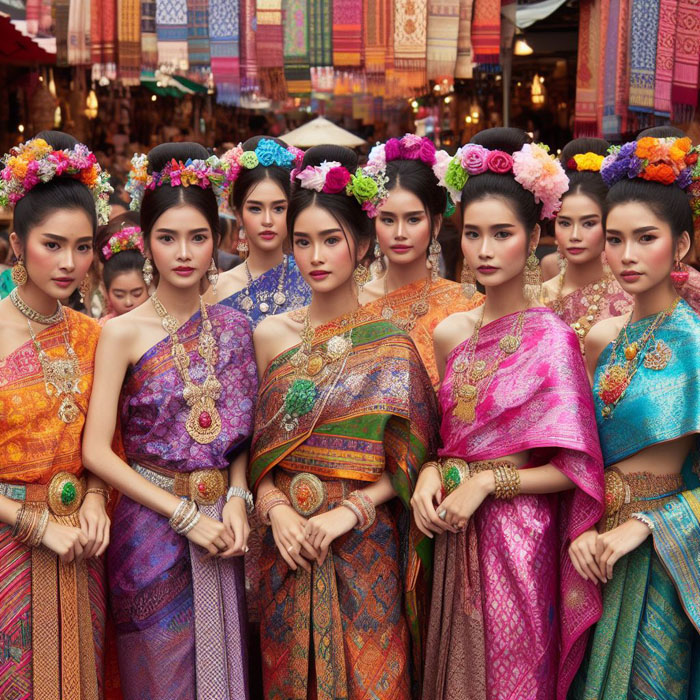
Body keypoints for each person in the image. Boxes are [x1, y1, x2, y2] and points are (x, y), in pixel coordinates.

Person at [415, 128, 605, 700]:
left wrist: (486, 484)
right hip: (452, 529)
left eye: (503, 234)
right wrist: (431, 472)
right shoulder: (449, 334)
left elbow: (575, 468)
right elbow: (443, 440)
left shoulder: (553, 337)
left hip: (522, 538)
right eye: (473, 234)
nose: (485, 250)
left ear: (534, 236)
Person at [250, 145, 438, 699]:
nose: (316, 256)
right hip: (287, 545)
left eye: (330, 240)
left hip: (365, 546)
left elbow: (410, 462)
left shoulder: (393, 344)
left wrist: (347, 514)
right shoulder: (269, 337)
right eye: (302, 242)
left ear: (360, 244)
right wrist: (275, 508)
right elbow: (257, 451)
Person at [82, 143, 257, 699]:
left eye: (198, 238)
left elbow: (242, 435)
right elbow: (97, 452)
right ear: (145, 242)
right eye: (167, 238)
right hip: (150, 530)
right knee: (161, 680)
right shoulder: (121, 332)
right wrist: (184, 515)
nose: (183, 253)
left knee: (224, 676)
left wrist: (236, 498)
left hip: (222, 527)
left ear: (219, 241)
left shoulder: (234, 327)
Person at [571, 136, 700, 699]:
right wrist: (581, 529)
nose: (626, 255)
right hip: (588, 547)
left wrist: (644, 526)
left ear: (682, 246)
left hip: (663, 555)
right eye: (615, 239)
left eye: (645, 239)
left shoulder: (697, 346)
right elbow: (579, 452)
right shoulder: (601, 338)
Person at [0, 131, 113, 697]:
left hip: (80, 548)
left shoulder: (96, 336)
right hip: (9, 543)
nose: (70, 263)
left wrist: (94, 495)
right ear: (17, 243)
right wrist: (32, 524)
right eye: (52, 245)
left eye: (84, 246)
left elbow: (107, 445)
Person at [360, 134, 484, 388]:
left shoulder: (468, 306)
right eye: (387, 219)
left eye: (413, 219)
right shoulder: (353, 303)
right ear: (374, 222)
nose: (400, 233)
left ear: (436, 224)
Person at [208, 136, 310, 327]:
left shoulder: (312, 278)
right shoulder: (216, 290)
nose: (267, 221)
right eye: (255, 208)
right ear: (238, 215)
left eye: (278, 208)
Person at [541, 138, 632, 352]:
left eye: (589, 223)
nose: (574, 235)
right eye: (564, 223)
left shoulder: (631, 300)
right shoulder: (535, 299)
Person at [96, 216, 149, 324]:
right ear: (106, 291)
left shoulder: (164, 325)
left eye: (137, 294)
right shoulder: (101, 330)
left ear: (149, 286)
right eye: (119, 295)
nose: (128, 302)